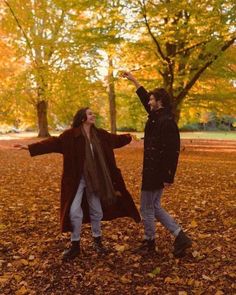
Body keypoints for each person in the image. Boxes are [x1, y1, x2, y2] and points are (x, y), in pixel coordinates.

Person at [14, 107, 141, 260]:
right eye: (90, 114)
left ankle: (98, 242)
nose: (93, 115)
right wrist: (29, 147)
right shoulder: (70, 136)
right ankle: (75, 246)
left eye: (93, 113)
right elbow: (53, 143)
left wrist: (129, 137)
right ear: (82, 118)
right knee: (74, 212)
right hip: (77, 180)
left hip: (97, 180)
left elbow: (115, 140)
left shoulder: (100, 135)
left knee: (97, 211)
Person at [122, 72, 192, 257]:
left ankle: (150, 241)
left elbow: (172, 151)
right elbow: (144, 98)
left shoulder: (166, 122)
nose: (149, 102)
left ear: (159, 101)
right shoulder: (157, 116)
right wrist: (133, 80)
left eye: (152, 99)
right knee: (154, 206)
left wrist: (168, 176)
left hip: (157, 172)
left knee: (147, 207)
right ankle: (179, 236)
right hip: (152, 170)